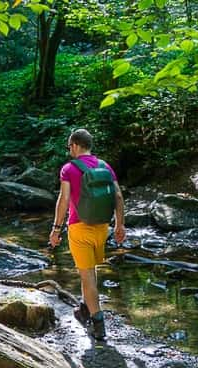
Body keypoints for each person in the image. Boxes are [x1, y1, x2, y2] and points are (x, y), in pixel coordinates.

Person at [48, 129, 126, 341]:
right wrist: (120, 225)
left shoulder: (69, 169)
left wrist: (56, 230)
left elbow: (63, 202)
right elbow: (118, 196)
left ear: (74, 145)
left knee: (87, 276)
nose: (69, 150)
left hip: (79, 228)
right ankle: (85, 308)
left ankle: (98, 326)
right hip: (102, 227)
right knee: (91, 271)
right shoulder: (105, 166)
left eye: (69, 147)